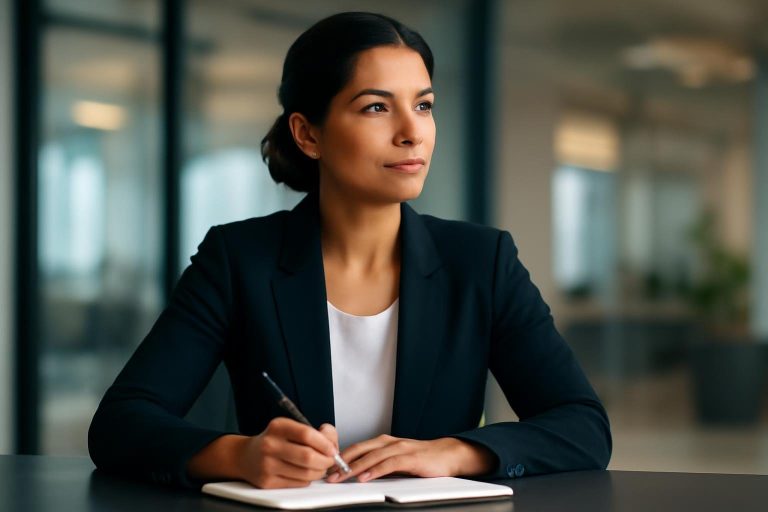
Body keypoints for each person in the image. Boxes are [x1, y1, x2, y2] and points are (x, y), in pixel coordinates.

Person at [88, 11, 611, 489]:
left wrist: (454, 453)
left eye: (424, 106)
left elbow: (582, 425)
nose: (412, 133)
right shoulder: (239, 258)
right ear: (308, 134)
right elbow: (121, 423)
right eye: (377, 107)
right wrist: (239, 456)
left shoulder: (481, 261)